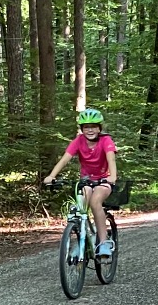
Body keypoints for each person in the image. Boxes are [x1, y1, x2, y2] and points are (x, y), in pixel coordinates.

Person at [43, 109, 119, 258]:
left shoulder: (106, 140)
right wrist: (52, 176)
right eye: (86, 127)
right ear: (81, 129)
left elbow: (111, 159)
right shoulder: (78, 141)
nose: (90, 130)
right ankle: (84, 239)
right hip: (87, 180)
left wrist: (113, 177)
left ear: (99, 128)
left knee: (95, 201)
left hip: (104, 180)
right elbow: (65, 159)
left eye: (93, 126)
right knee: (82, 203)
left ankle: (103, 242)